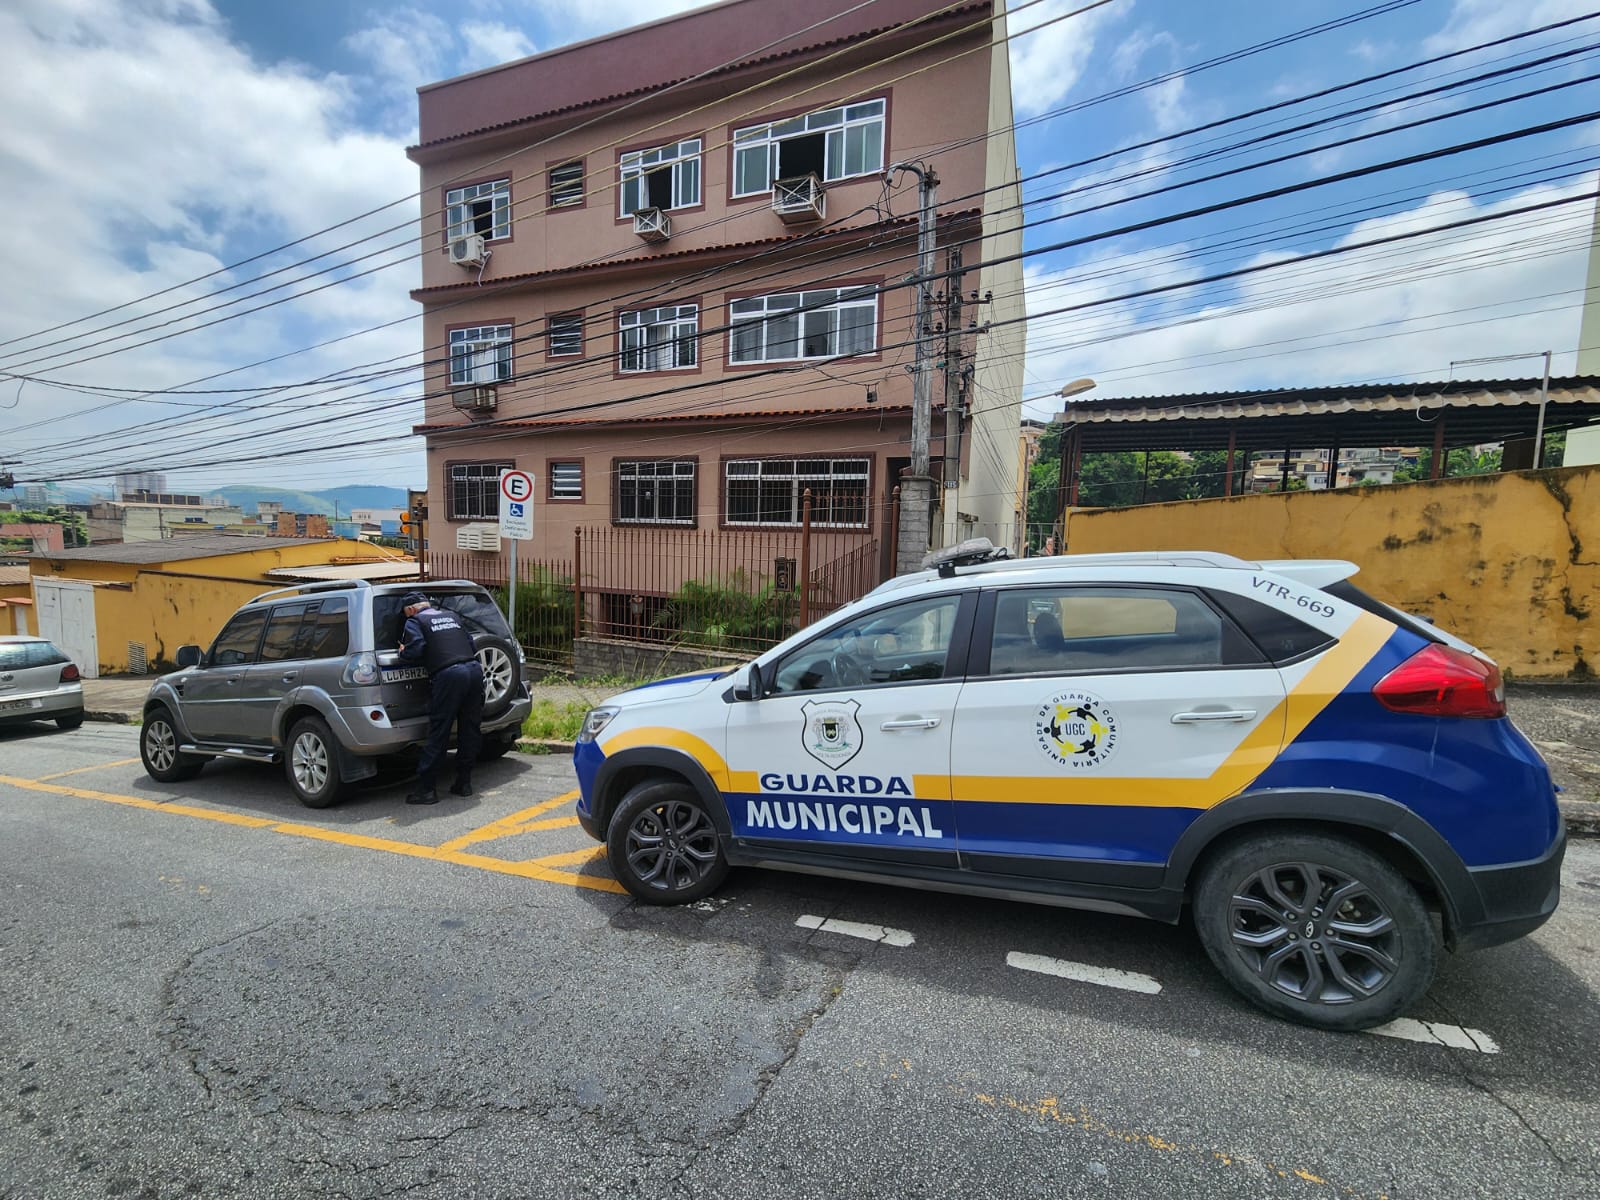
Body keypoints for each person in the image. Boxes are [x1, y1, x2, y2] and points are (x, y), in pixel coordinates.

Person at [396, 591, 484, 805]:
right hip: (474, 670)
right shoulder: (451, 617)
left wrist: (402, 652)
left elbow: (416, 649)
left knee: (439, 731)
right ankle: (464, 783)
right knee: (469, 728)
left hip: (449, 675)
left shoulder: (414, 622)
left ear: (410, 610)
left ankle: (426, 790)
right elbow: (471, 645)